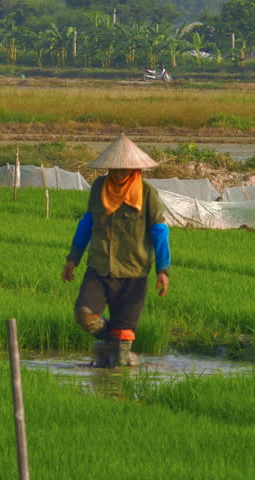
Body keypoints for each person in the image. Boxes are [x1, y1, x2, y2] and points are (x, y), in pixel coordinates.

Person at [61, 134, 171, 368]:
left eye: (124, 169)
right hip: (99, 268)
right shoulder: (100, 187)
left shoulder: (148, 193)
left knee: (121, 352)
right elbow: (87, 223)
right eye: (115, 169)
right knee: (84, 313)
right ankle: (116, 342)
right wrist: (73, 258)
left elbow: (160, 231)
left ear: (134, 169)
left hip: (134, 271)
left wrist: (163, 270)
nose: (119, 174)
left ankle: (120, 360)